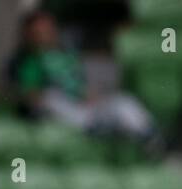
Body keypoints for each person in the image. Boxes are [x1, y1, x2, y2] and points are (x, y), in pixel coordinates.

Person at [8, 10, 154, 143]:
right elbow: (19, 92)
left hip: (83, 107)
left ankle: (148, 136)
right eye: (38, 31)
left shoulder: (67, 55)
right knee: (50, 98)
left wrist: (89, 94)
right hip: (54, 112)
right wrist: (33, 96)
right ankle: (93, 129)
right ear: (28, 34)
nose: (44, 35)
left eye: (47, 30)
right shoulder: (23, 60)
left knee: (122, 101)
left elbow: (80, 85)